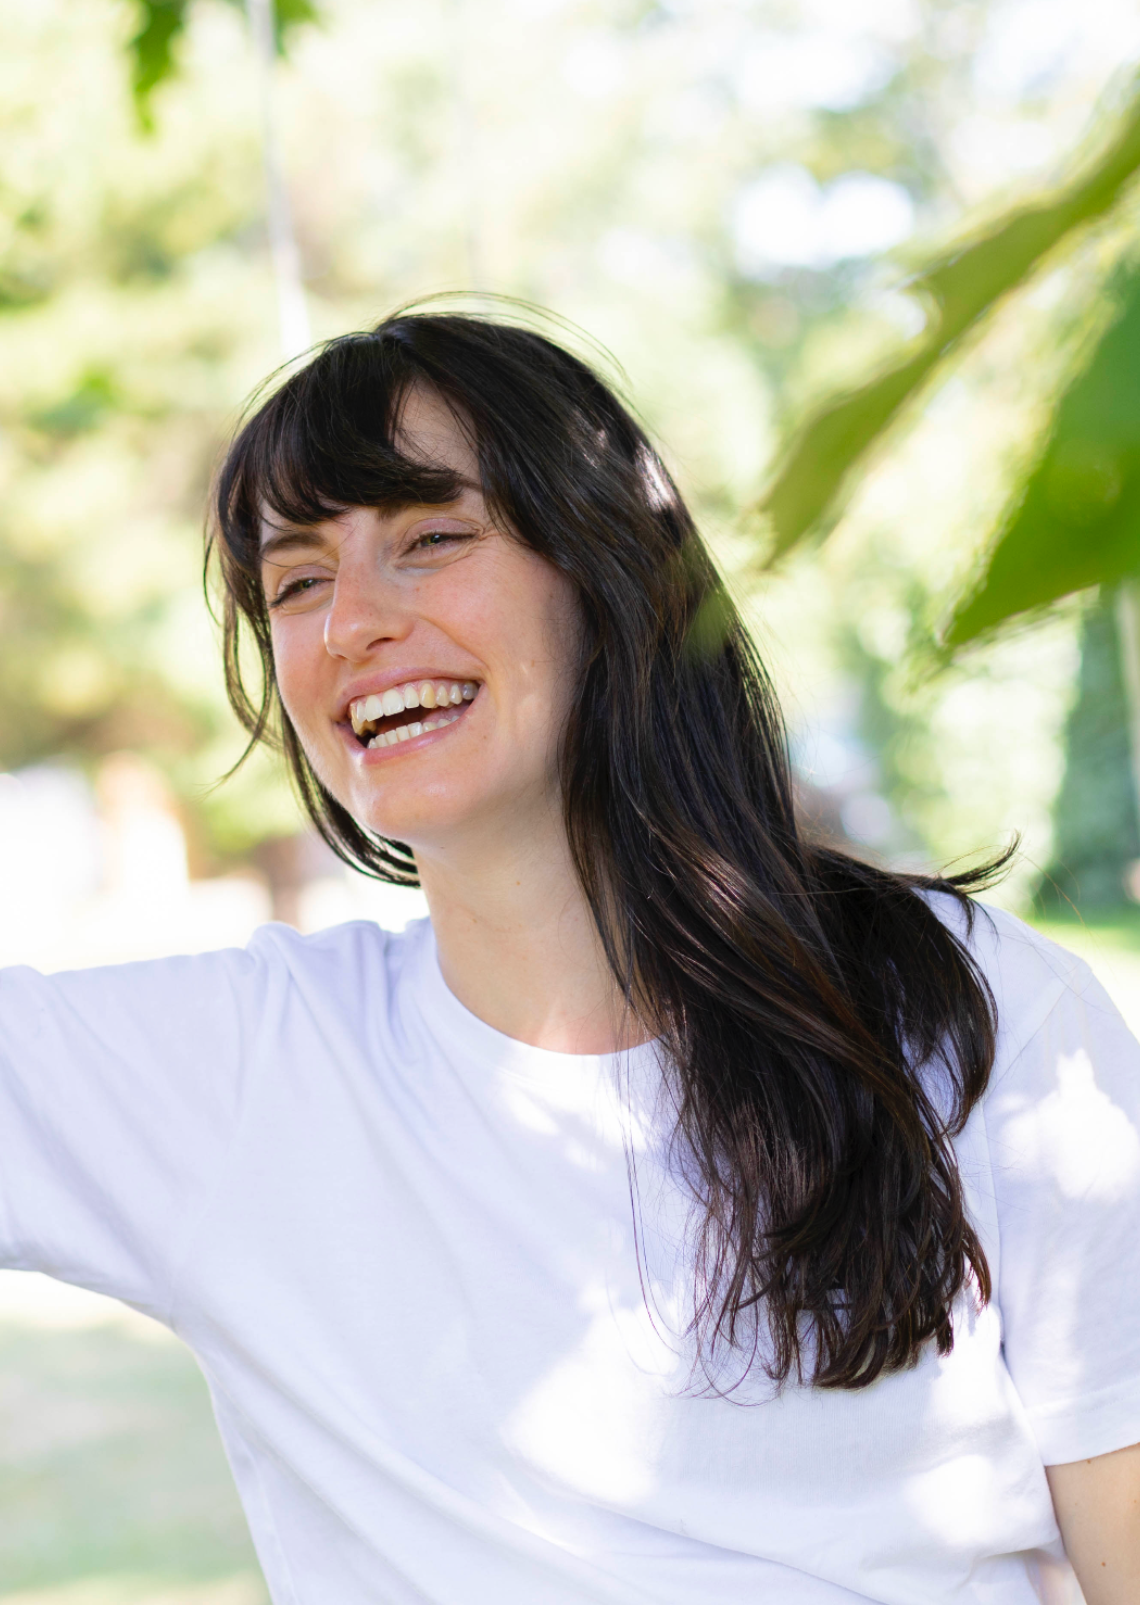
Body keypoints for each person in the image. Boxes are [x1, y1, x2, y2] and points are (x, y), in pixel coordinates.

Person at [1, 309, 1138, 1605]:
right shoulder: (238, 1075)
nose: (350, 624)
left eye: (431, 539)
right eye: (298, 581)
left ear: (612, 577)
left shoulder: (963, 1013)